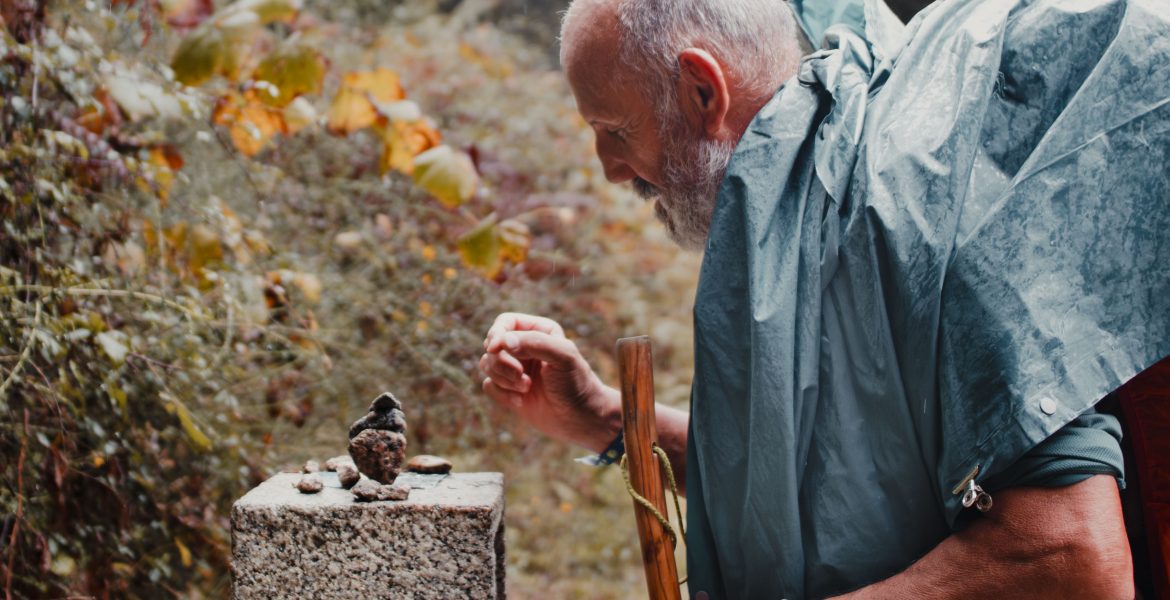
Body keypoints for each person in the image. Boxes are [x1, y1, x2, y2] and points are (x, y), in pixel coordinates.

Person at [479, 0, 1170, 597]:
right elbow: (804, 484)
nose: (608, 169)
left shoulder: (917, 205)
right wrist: (604, 417)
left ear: (700, 90)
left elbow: (1071, 560)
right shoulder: (788, 221)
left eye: (615, 131)